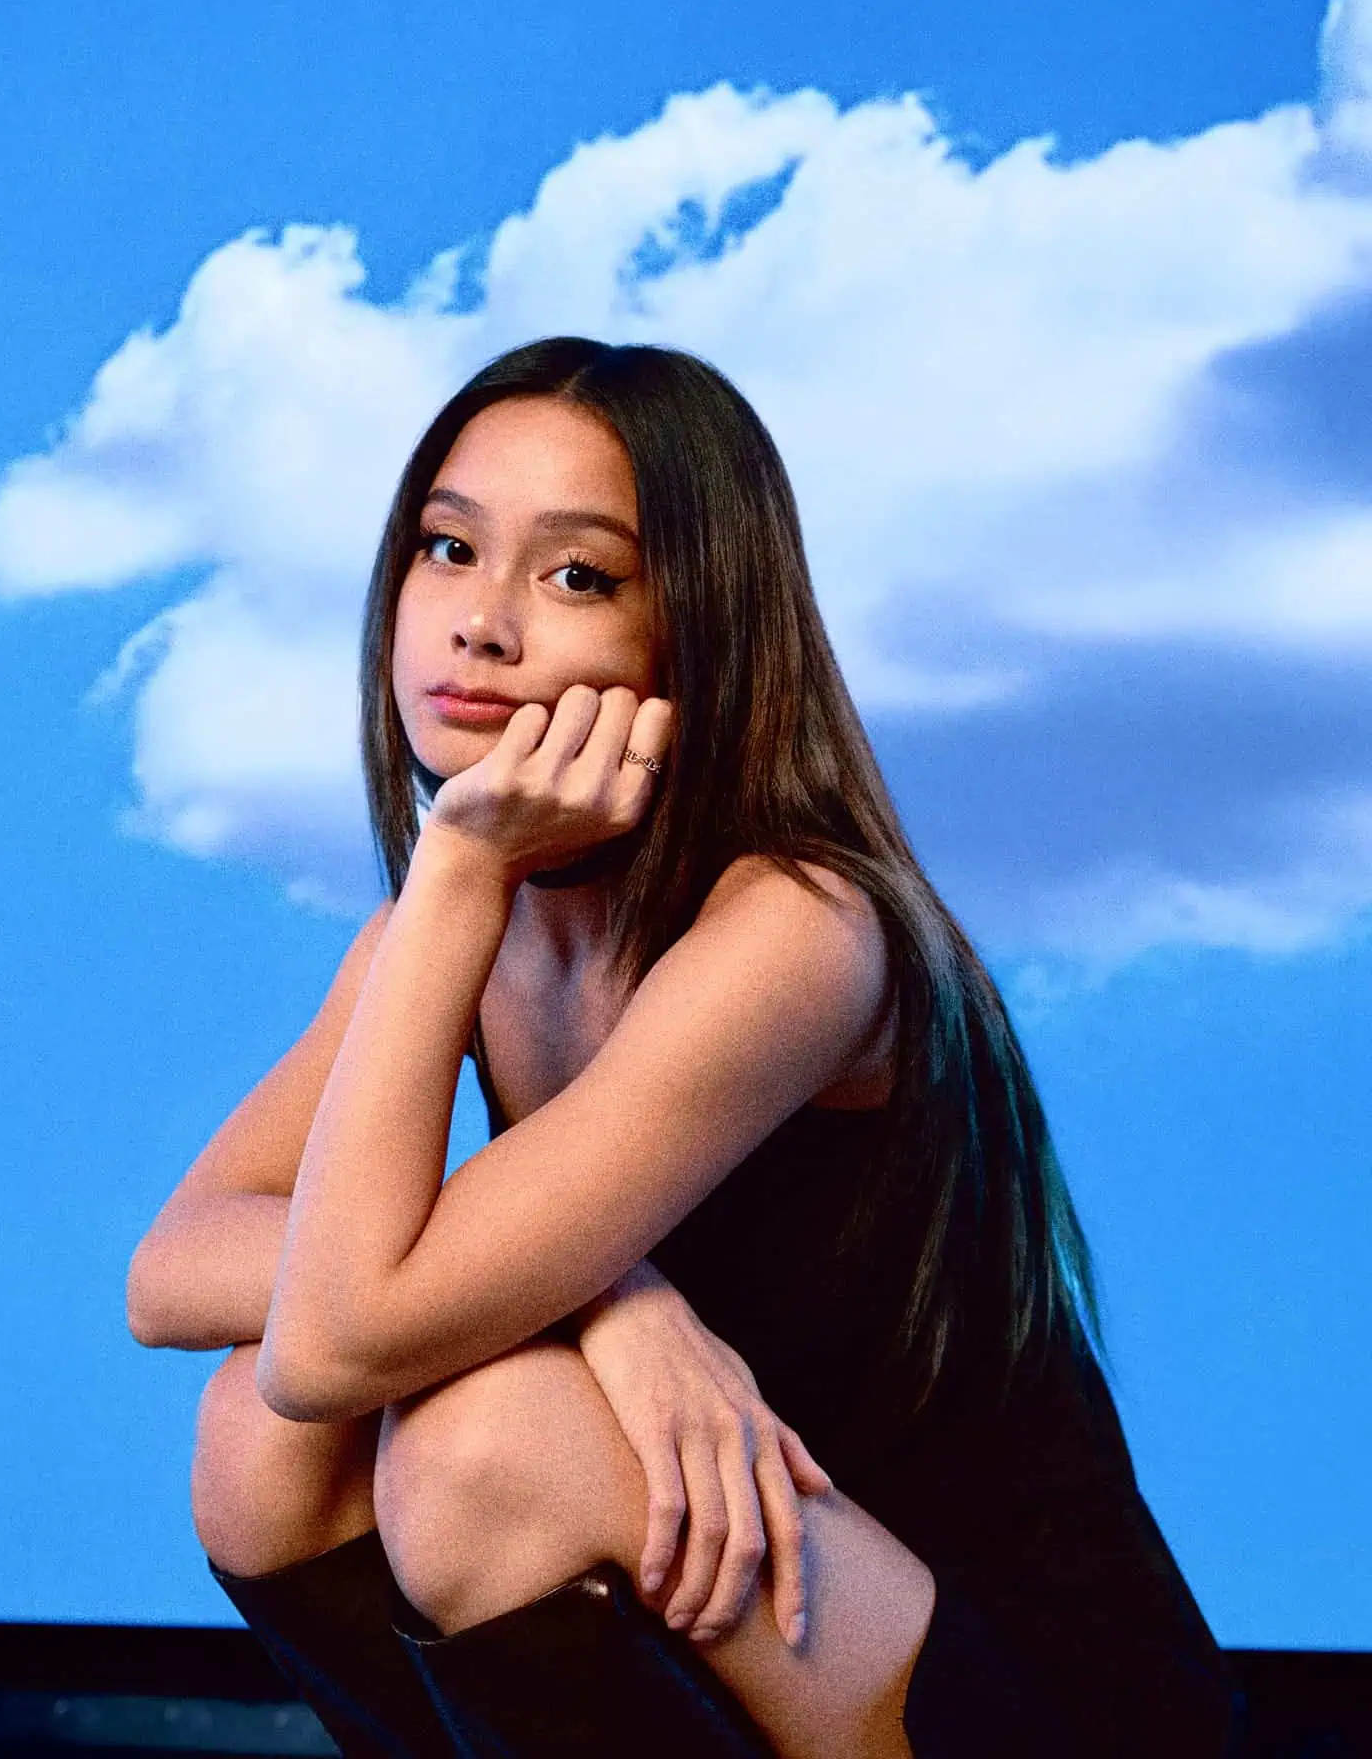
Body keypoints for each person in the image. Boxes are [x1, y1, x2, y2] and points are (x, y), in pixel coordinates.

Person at [127, 338, 1246, 1758]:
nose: (479, 624)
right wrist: (618, 1301)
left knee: (487, 1446)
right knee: (258, 1441)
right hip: (775, 1604)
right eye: (449, 548)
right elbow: (176, 1274)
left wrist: (461, 877)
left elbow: (341, 1335)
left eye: (577, 576)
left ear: (695, 631)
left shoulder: (798, 925)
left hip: (1027, 1691)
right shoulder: (455, 935)